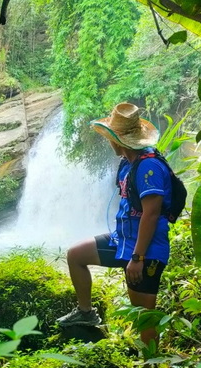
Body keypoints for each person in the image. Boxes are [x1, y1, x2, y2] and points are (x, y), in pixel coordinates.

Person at [56, 102, 172, 345]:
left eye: (110, 137)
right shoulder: (129, 163)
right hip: (123, 241)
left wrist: (138, 258)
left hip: (145, 250)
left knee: (143, 316)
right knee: (76, 255)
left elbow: (151, 214)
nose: (108, 142)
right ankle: (86, 313)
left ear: (117, 140)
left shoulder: (148, 166)